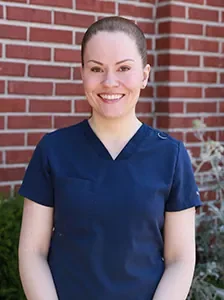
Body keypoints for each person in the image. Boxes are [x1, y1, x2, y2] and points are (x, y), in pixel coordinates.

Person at [18, 16, 202, 300]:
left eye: (124, 68)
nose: (110, 82)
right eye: (96, 68)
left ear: (144, 75)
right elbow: (33, 252)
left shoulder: (172, 156)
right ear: (82, 73)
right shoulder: (53, 150)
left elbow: (180, 259)